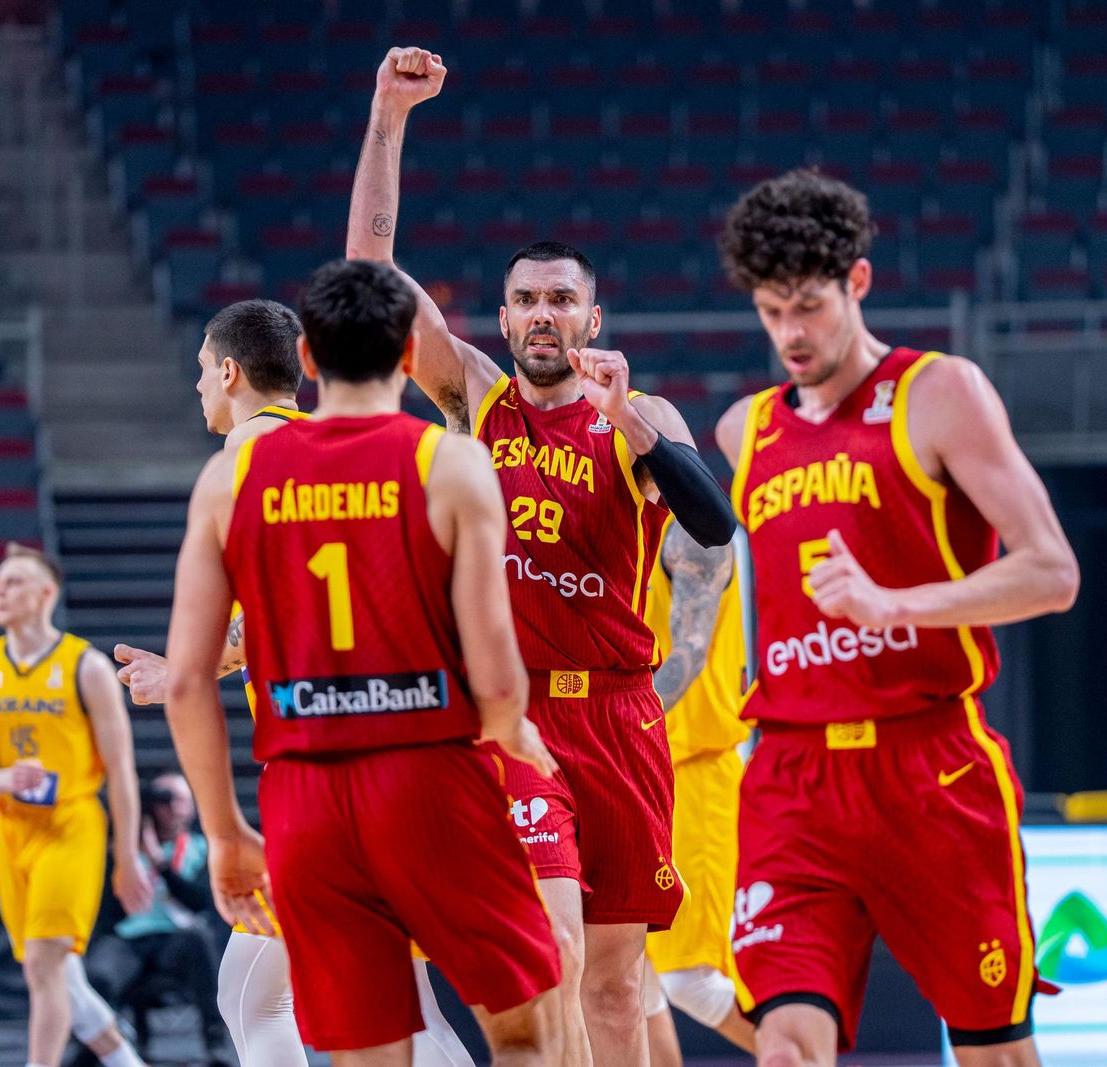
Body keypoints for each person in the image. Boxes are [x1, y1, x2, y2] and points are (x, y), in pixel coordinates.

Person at [347, 46, 737, 1066]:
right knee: (552, 951)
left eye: (562, 300)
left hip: (621, 710)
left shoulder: (638, 415)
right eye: (526, 299)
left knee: (615, 983)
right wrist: (388, 119)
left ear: (591, 318)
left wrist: (638, 431)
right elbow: (371, 280)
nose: (543, 315)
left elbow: (715, 524)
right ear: (507, 315)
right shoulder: (476, 396)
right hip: (517, 718)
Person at [714, 168, 1080, 1067]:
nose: (790, 335)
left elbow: (1052, 570)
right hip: (793, 774)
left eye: (808, 307)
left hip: (928, 765)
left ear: (858, 283)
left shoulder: (940, 391)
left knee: (996, 1051)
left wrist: (894, 605)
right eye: (771, 312)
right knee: (787, 1046)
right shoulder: (743, 430)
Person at [163, 259, 564, 1066]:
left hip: (307, 791)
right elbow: (495, 673)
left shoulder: (228, 480)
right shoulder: (448, 463)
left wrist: (226, 830)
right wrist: (512, 731)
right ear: (408, 358)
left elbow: (182, 681)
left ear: (307, 361)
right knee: (524, 1031)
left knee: (367, 1048)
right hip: (426, 777)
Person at [109, 299, 475, 1066]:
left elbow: (238, 636)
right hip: (414, 749)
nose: (199, 388)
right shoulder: (365, 449)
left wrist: (181, 674)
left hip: (324, 765)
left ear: (231, 372)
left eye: (202, 371)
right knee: (374, 1000)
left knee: (273, 994)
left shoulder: (239, 469)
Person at [0, 543, 155, 1067]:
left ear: (47, 593)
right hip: (10, 828)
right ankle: (125, 1062)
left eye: (15, 582)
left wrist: (128, 854)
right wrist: (6, 777)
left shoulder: (84, 667)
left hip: (70, 825)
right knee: (53, 973)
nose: (1, 592)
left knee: (46, 963)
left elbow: (121, 770)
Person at [640, 524, 757, 1065]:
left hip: (695, 767)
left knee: (690, 978)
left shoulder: (692, 528)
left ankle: (802, 1054)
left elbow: (692, 648)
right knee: (628, 977)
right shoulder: (594, 506)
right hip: (633, 767)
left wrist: (619, 722)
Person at [84, 773, 229, 1066]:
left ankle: (215, 1043)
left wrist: (159, 864)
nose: (170, 808)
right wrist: (126, 853)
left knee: (200, 940)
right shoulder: (123, 852)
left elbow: (199, 901)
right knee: (99, 971)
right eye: (163, 799)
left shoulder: (199, 848)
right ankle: (95, 1048)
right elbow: (106, 908)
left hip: (175, 939)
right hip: (130, 938)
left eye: (177, 800)